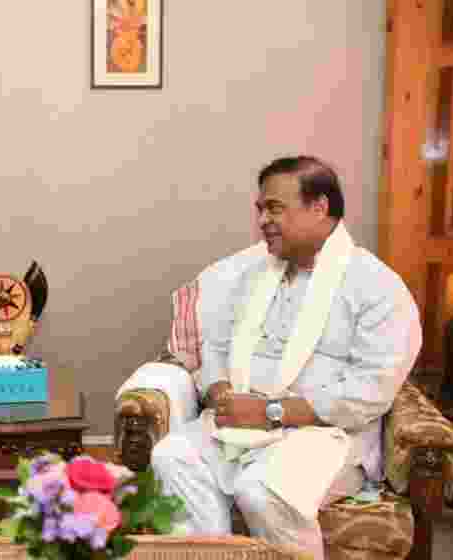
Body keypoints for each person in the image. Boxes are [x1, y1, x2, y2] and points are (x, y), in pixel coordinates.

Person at [150, 156, 422, 560]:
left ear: (320, 207)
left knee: (261, 491)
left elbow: (370, 390)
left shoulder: (377, 286)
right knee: (171, 457)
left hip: (326, 435)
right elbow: (215, 344)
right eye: (260, 209)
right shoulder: (249, 273)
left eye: (275, 208)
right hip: (238, 422)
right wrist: (221, 390)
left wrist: (270, 412)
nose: (263, 220)